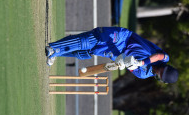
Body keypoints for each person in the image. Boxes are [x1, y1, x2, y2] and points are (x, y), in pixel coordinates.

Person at [45, 27, 178, 83]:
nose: (160, 71)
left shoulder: (143, 74)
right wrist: (142, 62)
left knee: (86, 52)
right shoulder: (164, 58)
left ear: (161, 78)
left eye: (162, 74)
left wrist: (123, 62)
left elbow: (129, 65)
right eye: (163, 70)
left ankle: (57, 52)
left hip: (117, 53)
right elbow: (159, 56)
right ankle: (54, 48)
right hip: (123, 38)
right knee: (91, 39)